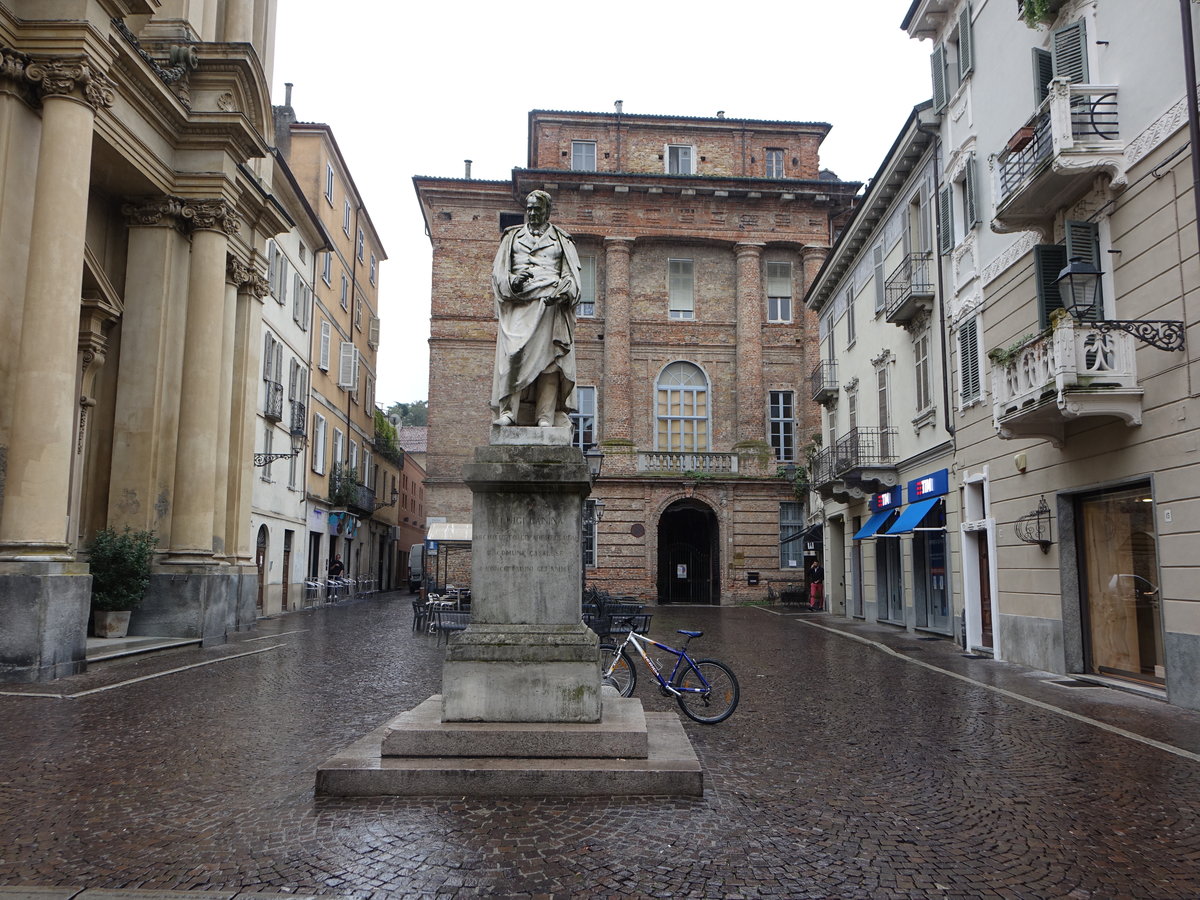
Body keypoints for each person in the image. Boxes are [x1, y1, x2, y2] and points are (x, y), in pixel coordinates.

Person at [490, 190, 582, 428]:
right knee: (514, 355)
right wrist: (513, 281)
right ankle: (509, 412)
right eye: (529, 208)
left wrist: (563, 292)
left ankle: (545, 417)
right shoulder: (511, 237)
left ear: (547, 211)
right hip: (519, 305)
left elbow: (572, 279)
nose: (531, 213)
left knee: (550, 361)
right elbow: (498, 274)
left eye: (537, 209)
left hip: (550, 304)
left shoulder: (562, 240)